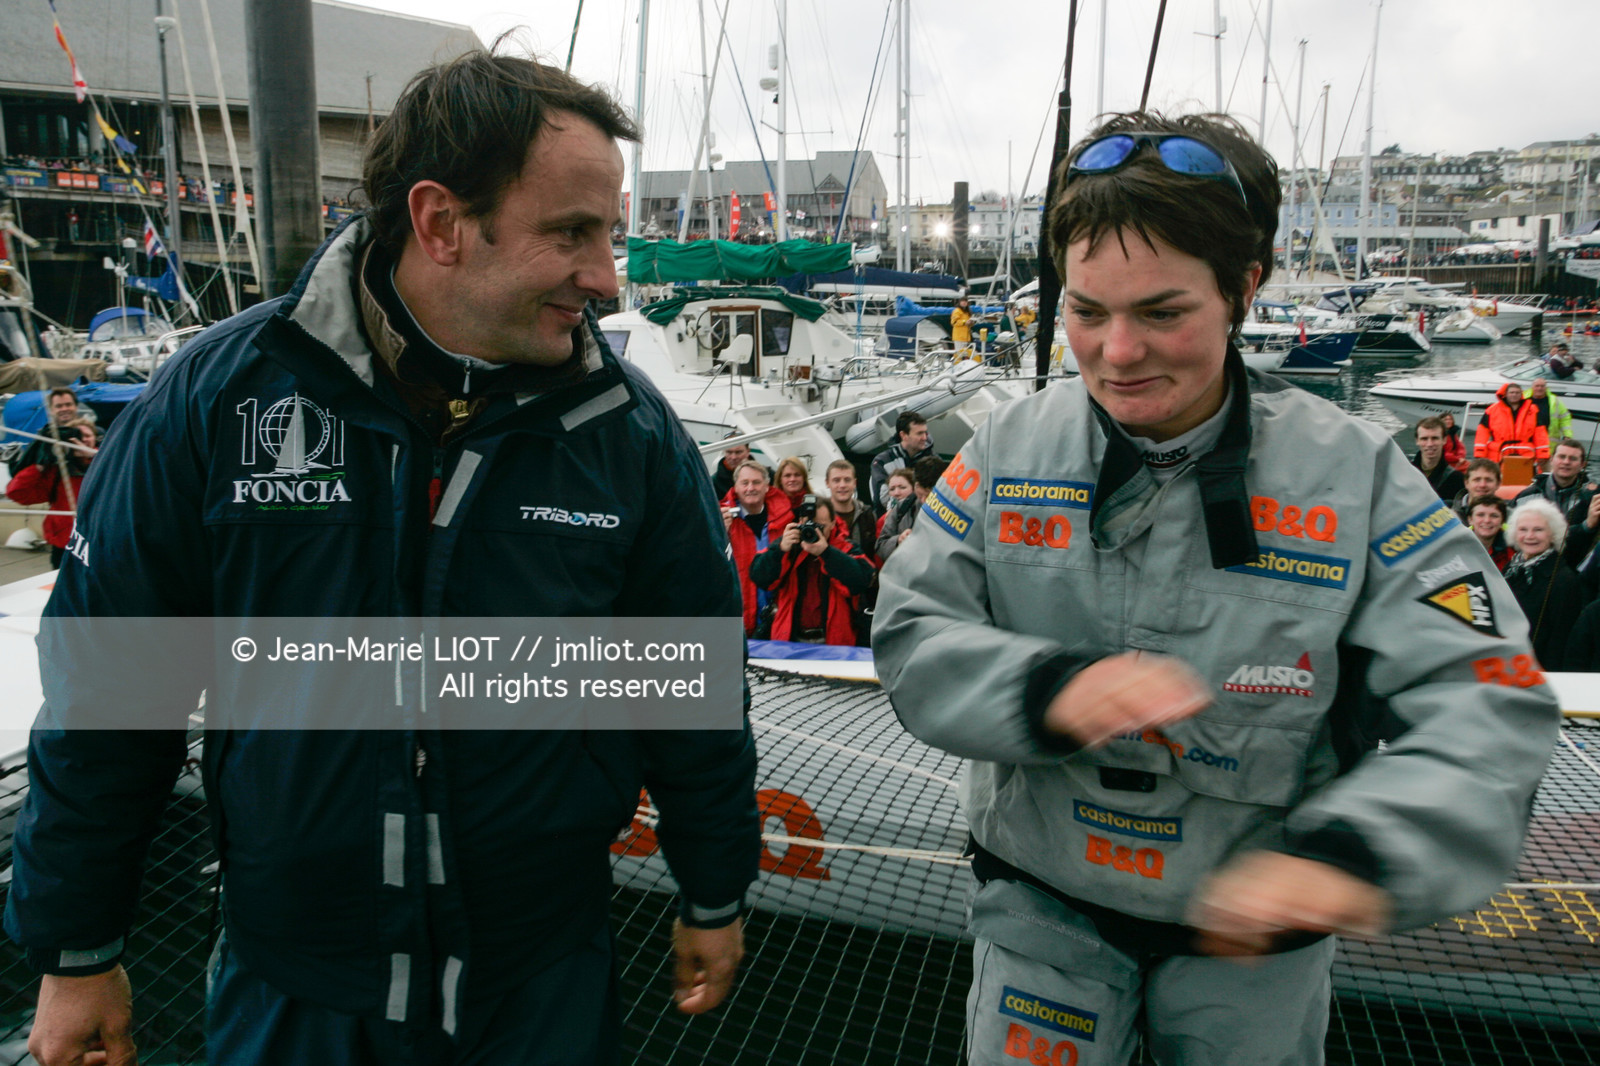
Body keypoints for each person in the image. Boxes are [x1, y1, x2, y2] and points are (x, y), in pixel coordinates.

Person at [7, 49, 759, 1066]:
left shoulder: (626, 435)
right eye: (573, 233)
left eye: (609, 234)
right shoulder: (217, 402)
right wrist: (77, 948)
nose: (605, 276)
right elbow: (110, 692)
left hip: (539, 982)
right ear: (443, 223)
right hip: (296, 987)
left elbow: (693, 685)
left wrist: (714, 887)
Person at [872, 111, 1558, 1066]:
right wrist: (1046, 690)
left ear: (1245, 288)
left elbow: (1491, 699)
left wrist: (1352, 856)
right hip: (1041, 916)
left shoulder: (1354, 475)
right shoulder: (1008, 448)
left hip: (1256, 953)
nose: (1116, 352)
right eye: (1084, 311)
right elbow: (911, 629)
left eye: (1162, 312)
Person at [749, 495, 874, 645]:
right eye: (809, 525)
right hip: (790, 639)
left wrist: (826, 553)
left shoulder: (846, 547)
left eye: (820, 527)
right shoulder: (789, 546)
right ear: (800, 522)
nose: (814, 531)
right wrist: (780, 549)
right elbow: (759, 577)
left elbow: (862, 580)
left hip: (835, 642)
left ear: (833, 523)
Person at [1504, 498, 1586, 672]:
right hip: (1506, 664)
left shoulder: (1564, 580)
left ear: (1553, 534)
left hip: (1539, 672)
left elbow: (1561, 639)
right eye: (1523, 529)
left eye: (1538, 530)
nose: (1529, 536)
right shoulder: (1510, 569)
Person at [4, 419, 96, 568]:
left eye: (87, 435)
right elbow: (17, 493)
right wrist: (41, 464)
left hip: (101, 544)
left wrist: (92, 457)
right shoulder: (57, 472)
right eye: (77, 436)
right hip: (65, 546)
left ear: (95, 438)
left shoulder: (107, 462)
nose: (83, 440)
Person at [723, 459, 792, 637]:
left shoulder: (785, 518)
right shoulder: (719, 518)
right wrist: (720, 534)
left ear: (767, 486)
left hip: (779, 616)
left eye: (756, 482)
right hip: (737, 615)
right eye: (744, 483)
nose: (750, 488)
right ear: (735, 488)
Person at [875, 455, 946, 564]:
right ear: (915, 485)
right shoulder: (902, 507)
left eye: (929, 497)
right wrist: (898, 541)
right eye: (920, 494)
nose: (923, 501)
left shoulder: (954, 511)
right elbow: (880, 546)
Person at [868, 411, 935, 512]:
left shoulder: (933, 461)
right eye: (919, 433)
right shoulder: (882, 462)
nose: (924, 438)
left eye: (925, 432)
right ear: (903, 435)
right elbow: (882, 500)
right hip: (890, 521)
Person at [1473, 381, 1548, 466]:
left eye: (1517, 392)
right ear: (1506, 394)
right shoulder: (1492, 410)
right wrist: (1479, 453)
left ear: (1521, 394)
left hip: (1526, 453)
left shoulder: (1532, 410)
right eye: (1511, 392)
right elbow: (1482, 433)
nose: (1514, 395)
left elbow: (1540, 434)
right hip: (1499, 455)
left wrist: (1543, 454)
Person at [824, 459, 878, 565]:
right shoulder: (820, 516)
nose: (842, 485)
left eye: (847, 480)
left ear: (855, 483)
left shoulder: (868, 515)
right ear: (827, 483)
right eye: (836, 480)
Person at [1410, 416, 1465, 502]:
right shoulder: (1405, 474)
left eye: (1435, 438)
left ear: (1444, 440)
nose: (1430, 444)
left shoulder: (1457, 480)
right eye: (1424, 439)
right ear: (1417, 441)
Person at [1464, 495, 1514, 572]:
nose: (1487, 520)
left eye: (1494, 516)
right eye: (1480, 515)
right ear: (1470, 520)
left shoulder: (1513, 550)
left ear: (1502, 521)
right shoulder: (1457, 547)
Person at [1527, 377, 1574, 446]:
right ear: (1532, 387)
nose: (1540, 388)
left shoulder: (1554, 401)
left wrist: (1567, 435)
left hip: (1549, 443)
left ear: (1546, 388)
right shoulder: (1524, 400)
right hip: (1528, 441)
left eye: (1542, 386)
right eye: (1537, 386)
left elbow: (1565, 419)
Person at [876, 468, 916, 539]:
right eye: (892, 489)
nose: (896, 493)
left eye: (902, 487)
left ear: (914, 488)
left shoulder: (922, 511)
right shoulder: (882, 520)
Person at [711, 433, 751, 500]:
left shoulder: (766, 475)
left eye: (738, 452)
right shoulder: (713, 483)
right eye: (729, 452)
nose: (733, 457)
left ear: (748, 452)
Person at [951, 295, 975, 361]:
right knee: (959, 353)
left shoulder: (967, 312)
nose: (964, 303)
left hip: (966, 336)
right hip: (959, 336)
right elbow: (954, 322)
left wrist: (971, 322)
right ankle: (956, 364)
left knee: (965, 354)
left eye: (965, 301)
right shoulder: (957, 311)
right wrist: (964, 322)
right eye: (962, 301)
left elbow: (969, 324)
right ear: (959, 302)